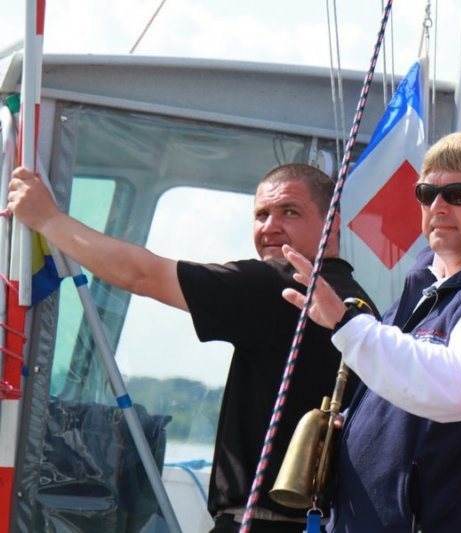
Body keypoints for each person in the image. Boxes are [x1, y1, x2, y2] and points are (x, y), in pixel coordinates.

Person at [7, 163, 376, 533]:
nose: (270, 227)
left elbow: (141, 274)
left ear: (332, 221)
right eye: (261, 214)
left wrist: (48, 219)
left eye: (289, 212)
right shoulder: (360, 308)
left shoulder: (280, 286)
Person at [281, 131, 461, 532]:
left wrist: (347, 324)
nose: (438, 206)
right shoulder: (424, 286)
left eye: (458, 194)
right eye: (427, 194)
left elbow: (458, 385)